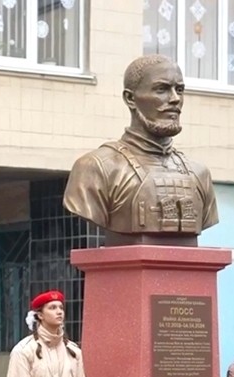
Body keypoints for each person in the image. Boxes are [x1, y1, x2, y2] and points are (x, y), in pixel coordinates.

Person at [63, 54, 218, 244]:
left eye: (179, 90)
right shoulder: (96, 168)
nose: (175, 99)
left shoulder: (199, 173)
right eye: (161, 89)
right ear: (130, 98)